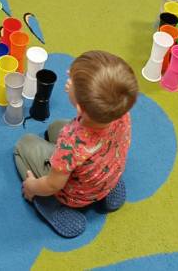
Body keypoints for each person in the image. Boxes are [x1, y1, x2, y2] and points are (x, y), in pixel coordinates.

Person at [13, 51, 138, 238]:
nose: (68, 76)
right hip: (105, 172)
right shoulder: (121, 112)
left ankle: (51, 206)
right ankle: (106, 190)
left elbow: (53, 184)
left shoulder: (71, 141)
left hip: (73, 195)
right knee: (55, 127)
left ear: (80, 108)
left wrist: (32, 187)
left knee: (25, 143)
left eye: (72, 80)